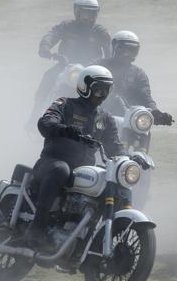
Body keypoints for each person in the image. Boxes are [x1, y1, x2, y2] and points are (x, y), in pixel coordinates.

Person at [26, 65, 145, 248]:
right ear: (85, 87)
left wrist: (130, 158)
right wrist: (65, 129)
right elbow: (45, 122)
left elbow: (115, 146)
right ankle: (37, 227)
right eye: (98, 88)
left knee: (112, 183)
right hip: (51, 162)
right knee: (61, 169)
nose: (102, 94)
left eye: (106, 90)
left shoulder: (106, 118)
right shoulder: (64, 104)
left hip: (82, 169)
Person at [32, 0, 111, 112]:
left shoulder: (100, 31)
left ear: (96, 14)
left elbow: (110, 52)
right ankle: (35, 113)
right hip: (65, 66)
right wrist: (45, 48)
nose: (87, 17)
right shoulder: (67, 26)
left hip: (92, 71)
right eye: (85, 13)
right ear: (77, 11)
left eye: (91, 13)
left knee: (110, 88)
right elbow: (52, 34)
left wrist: (102, 62)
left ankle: (108, 116)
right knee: (48, 76)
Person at [95, 30, 173, 125]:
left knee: (141, 134)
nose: (126, 54)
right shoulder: (98, 65)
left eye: (131, 50)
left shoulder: (138, 74)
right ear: (114, 47)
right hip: (96, 112)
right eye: (122, 49)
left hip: (129, 119)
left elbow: (146, 97)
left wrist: (155, 112)